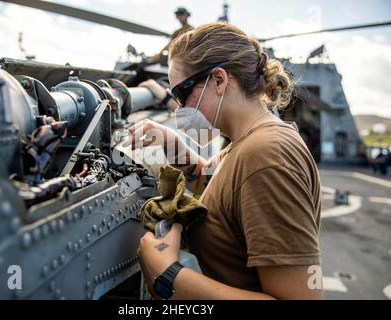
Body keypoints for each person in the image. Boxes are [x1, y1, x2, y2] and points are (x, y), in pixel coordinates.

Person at [125, 22, 323, 299]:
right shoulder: (245, 143)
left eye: (181, 95)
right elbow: (216, 185)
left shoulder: (266, 154)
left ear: (218, 80)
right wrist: (174, 145)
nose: (180, 109)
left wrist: (167, 273)